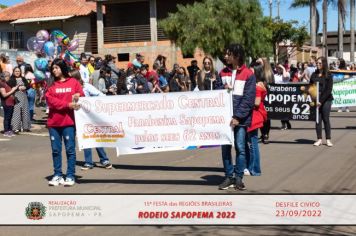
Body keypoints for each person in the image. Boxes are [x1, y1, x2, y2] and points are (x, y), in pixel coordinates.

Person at [218, 44, 256, 191]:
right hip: (224, 120)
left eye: (228, 54)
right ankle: (229, 177)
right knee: (225, 149)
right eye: (225, 54)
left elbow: (249, 99)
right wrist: (222, 89)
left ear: (237, 55)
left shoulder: (248, 74)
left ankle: (239, 178)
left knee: (240, 148)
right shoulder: (222, 73)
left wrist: (237, 117)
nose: (225, 56)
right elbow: (215, 92)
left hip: (240, 120)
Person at [45, 59, 84, 186]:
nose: (54, 70)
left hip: (69, 122)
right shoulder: (51, 84)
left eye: (56, 68)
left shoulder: (74, 82)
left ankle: (70, 175)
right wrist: (67, 104)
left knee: (70, 150)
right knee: (55, 150)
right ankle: (57, 175)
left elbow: (82, 98)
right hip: (54, 123)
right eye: (53, 68)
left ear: (62, 68)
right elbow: (51, 101)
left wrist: (79, 96)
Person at [69, 70, 113, 170]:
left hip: (90, 117)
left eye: (71, 78)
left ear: (75, 78)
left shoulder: (86, 86)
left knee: (95, 138)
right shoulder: (70, 89)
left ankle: (104, 160)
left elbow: (100, 95)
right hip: (79, 117)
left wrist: (95, 105)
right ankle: (88, 162)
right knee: (85, 139)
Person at [245, 64, 267, 176]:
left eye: (251, 71)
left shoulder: (257, 86)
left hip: (255, 116)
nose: (249, 73)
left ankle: (254, 169)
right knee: (252, 143)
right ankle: (252, 167)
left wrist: (245, 103)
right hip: (256, 115)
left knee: (253, 144)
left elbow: (257, 103)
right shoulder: (259, 84)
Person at [310, 57, 334, 147]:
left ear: (324, 64)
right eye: (317, 63)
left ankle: (328, 139)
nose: (318, 64)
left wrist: (321, 101)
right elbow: (311, 87)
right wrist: (314, 99)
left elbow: (329, 90)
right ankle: (319, 139)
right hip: (316, 99)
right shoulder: (314, 74)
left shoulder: (328, 75)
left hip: (326, 100)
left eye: (320, 63)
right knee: (317, 120)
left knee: (325, 119)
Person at [8, 67, 31, 133]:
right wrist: (18, 88)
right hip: (16, 97)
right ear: (13, 72)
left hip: (24, 96)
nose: (17, 72)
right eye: (16, 71)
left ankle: (26, 127)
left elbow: (28, 85)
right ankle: (15, 128)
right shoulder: (11, 79)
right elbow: (10, 87)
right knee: (16, 112)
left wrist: (25, 87)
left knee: (25, 111)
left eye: (18, 71)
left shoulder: (23, 78)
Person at [256, 57, 274, 144]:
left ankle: (265, 134)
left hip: (267, 96)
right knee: (261, 116)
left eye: (260, 62)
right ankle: (264, 134)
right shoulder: (259, 70)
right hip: (261, 96)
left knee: (266, 117)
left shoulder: (268, 72)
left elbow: (272, 85)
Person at [0, 72, 19, 137]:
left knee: (10, 117)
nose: (9, 77)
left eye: (9, 76)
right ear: (3, 76)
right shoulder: (1, 84)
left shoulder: (6, 84)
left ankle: (9, 130)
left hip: (10, 103)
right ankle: (6, 131)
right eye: (7, 76)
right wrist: (13, 90)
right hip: (6, 103)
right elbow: (4, 95)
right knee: (7, 118)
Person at [274, 64, 292, 130]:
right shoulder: (275, 75)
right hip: (277, 95)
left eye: (280, 68)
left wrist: (283, 68)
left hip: (285, 95)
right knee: (280, 110)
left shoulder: (287, 73)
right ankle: (285, 123)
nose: (278, 69)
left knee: (284, 110)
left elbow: (284, 76)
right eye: (277, 68)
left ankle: (285, 124)